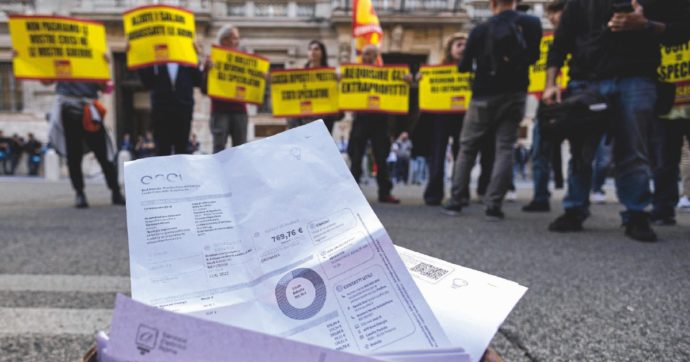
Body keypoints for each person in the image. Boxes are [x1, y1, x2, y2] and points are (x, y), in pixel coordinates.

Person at [543, 0, 690, 241]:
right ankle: (574, 209)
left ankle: (636, 214)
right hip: (586, 79)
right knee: (581, 150)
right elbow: (561, 42)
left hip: (636, 77)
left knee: (633, 149)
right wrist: (550, 84)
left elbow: (683, 28)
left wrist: (646, 25)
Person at [443, 0, 542, 220]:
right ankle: (493, 204)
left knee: (467, 148)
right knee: (505, 148)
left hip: (483, 95)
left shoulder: (480, 30)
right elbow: (534, 57)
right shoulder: (532, 23)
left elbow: (464, 66)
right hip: (515, 93)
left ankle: (456, 200)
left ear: (492, 4)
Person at [46, 80, 124, 208]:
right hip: (68, 111)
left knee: (103, 154)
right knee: (74, 156)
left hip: (90, 110)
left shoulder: (95, 63)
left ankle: (115, 191)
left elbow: (107, 88)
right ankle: (79, 192)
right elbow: (45, 81)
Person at [522, 0, 567, 213]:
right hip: (546, 103)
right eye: (550, 13)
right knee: (540, 151)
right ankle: (540, 196)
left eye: (557, 12)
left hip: (574, 97)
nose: (552, 17)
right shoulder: (545, 42)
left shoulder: (580, 38)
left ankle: (578, 198)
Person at [347, 45, 401, 204]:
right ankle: (352, 194)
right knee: (355, 158)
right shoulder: (354, 74)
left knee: (382, 159)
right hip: (360, 121)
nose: (367, 56)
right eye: (365, 53)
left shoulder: (386, 75)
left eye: (370, 54)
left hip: (380, 122)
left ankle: (385, 192)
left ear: (377, 56)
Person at [138, 48, 202, 156]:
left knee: (182, 151)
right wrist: (137, 58)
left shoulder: (187, 55)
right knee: (162, 151)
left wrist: (196, 57)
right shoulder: (155, 55)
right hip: (161, 112)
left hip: (183, 110)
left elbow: (198, 81)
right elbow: (146, 82)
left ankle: (181, 173)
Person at [202, 25, 248, 153]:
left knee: (240, 150)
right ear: (224, 40)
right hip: (219, 111)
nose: (237, 41)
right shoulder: (212, 59)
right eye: (234, 38)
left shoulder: (244, 59)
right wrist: (207, 71)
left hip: (240, 111)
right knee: (219, 149)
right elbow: (204, 89)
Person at [286, 40, 343, 134]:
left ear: (322, 53)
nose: (313, 51)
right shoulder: (299, 73)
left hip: (323, 123)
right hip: (301, 122)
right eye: (310, 49)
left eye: (316, 49)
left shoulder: (332, 75)